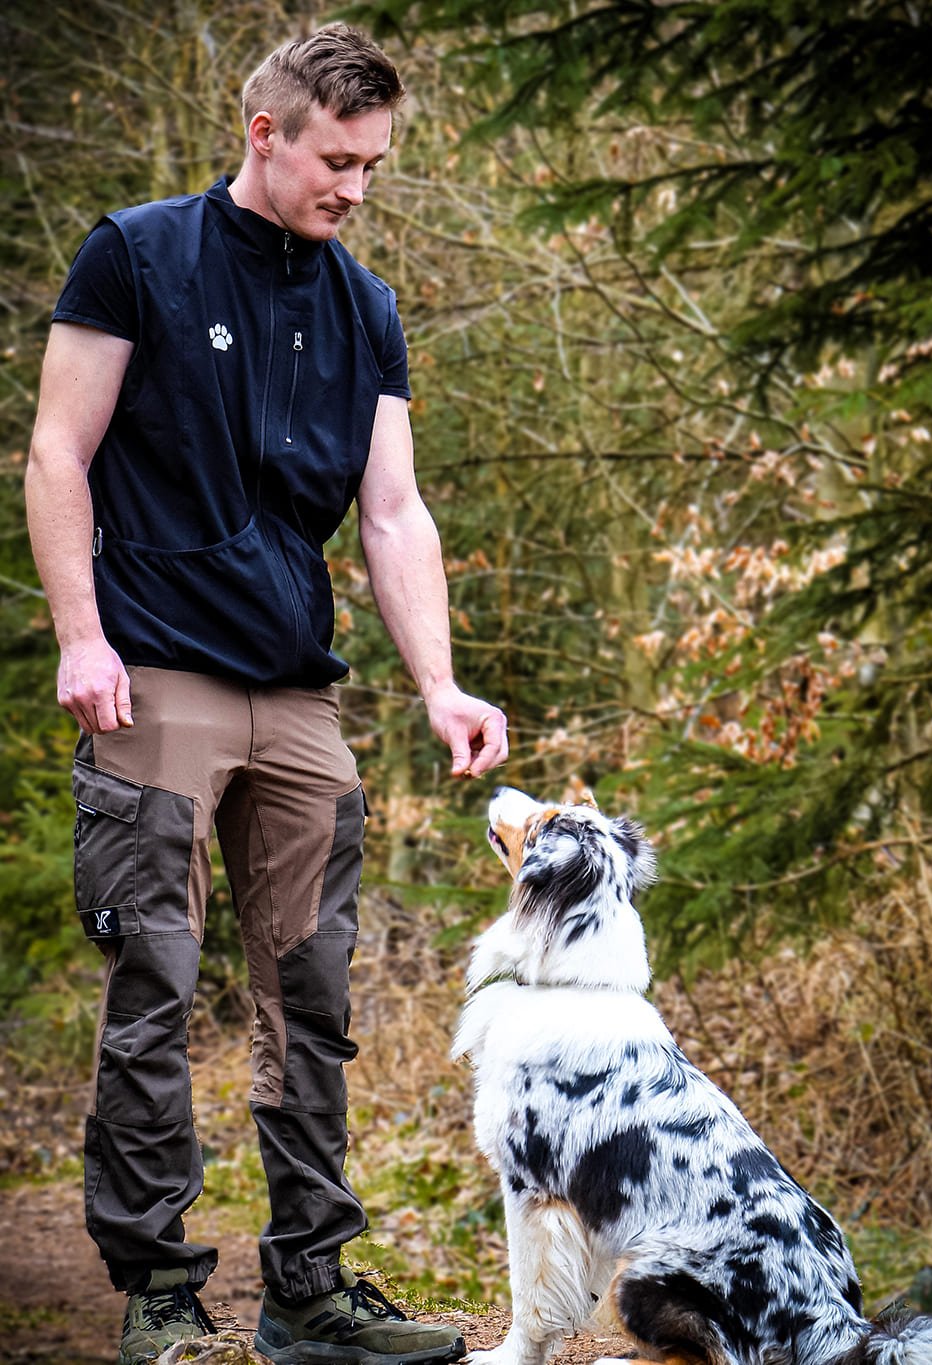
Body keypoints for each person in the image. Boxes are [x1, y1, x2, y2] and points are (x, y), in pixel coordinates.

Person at [25, 23, 507, 1365]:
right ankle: (161, 1293)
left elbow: (394, 513)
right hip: (157, 676)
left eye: (374, 165)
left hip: (298, 696)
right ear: (266, 134)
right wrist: (81, 634)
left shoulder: (367, 307)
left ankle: (311, 1285)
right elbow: (59, 451)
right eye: (337, 160)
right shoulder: (138, 254)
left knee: (314, 997)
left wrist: (441, 684)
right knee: (157, 985)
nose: (354, 187)